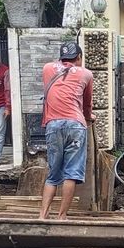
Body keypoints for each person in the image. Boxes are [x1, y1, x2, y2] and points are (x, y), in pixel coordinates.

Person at [39, 41, 94, 220]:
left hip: (53, 125)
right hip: (76, 125)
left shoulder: (47, 68)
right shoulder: (86, 74)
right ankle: (62, 216)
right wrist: (89, 117)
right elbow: (87, 105)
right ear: (79, 57)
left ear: (61, 57)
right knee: (71, 173)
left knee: (53, 174)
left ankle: (42, 216)